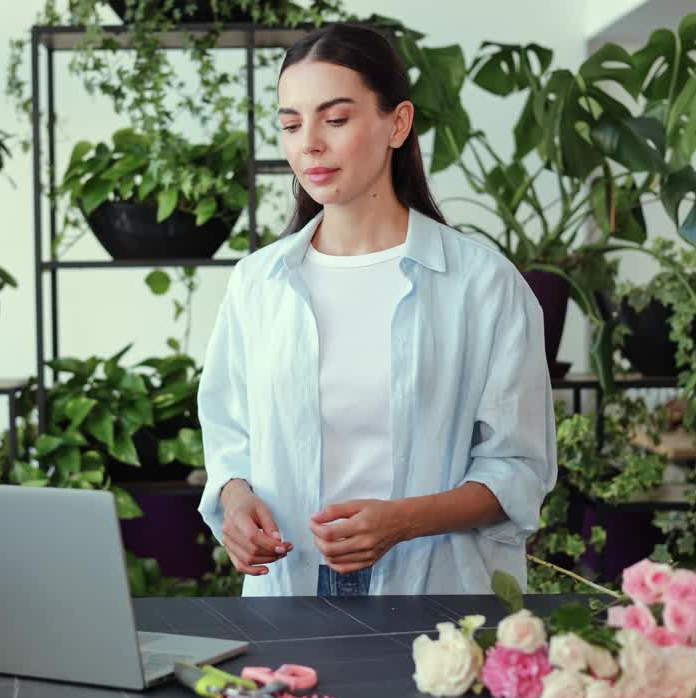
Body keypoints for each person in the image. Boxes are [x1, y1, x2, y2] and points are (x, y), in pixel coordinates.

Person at [196, 23, 557, 598]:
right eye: (291, 124)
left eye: (335, 120)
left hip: (439, 601)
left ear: (398, 123)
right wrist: (235, 505)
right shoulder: (257, 284)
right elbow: (229, 439)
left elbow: (518, 468)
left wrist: (402, 522)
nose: (309, 143)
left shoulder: (483, 285)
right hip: (288, 595)